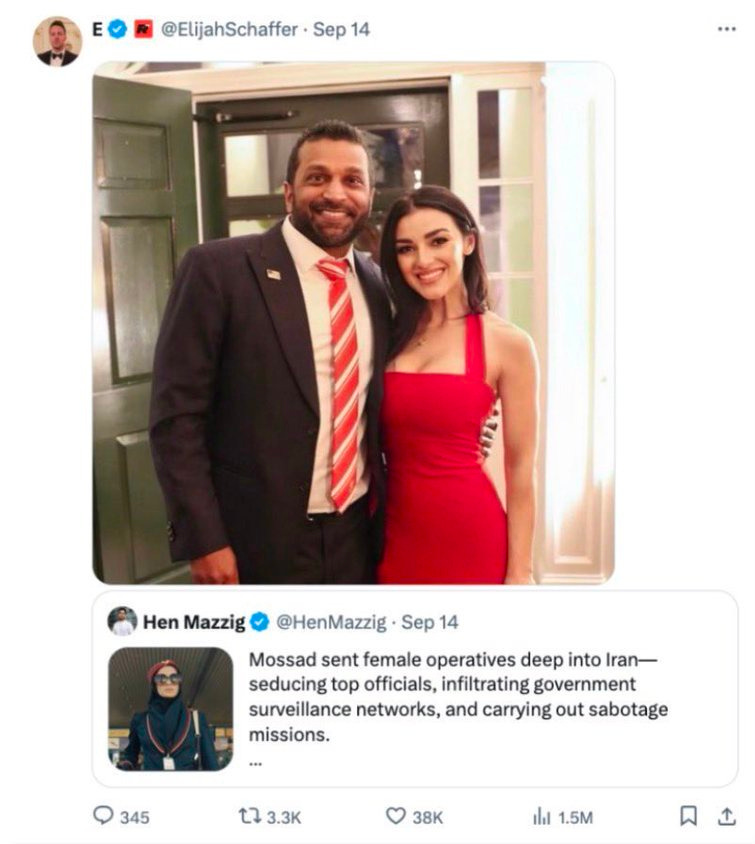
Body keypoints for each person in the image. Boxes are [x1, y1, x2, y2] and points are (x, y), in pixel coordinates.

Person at [150, 121, 393, 585]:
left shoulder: (379, 283)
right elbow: (176, 418)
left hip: (359, 537)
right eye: (317, 177)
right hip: (252, 542)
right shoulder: (217, 270)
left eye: (352, 180)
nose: (335, 193)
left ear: (368, 195)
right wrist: (204, 540)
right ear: (288, 192)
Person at [377, 186, 539, 584]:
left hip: (470, 536)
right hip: (389, 537)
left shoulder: (509, 343)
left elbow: (521, 469)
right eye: (406, 248)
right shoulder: (384, 334)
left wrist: (520, 573)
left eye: (438, 241)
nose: (423, 260)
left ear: (468, 242)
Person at [116, 660, 219, 771]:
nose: (169, 682)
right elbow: (131, 753)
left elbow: (211, 762)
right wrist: (126, 765)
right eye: (161, 678)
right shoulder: (140, 720)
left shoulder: (197, 719)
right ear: (154, 685)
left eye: (175, 677)